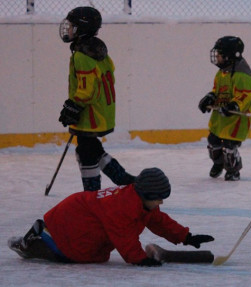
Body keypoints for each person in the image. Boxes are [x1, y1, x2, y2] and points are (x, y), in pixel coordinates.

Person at [8, 168, 214, 266]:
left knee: (96, 255)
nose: (161, 202)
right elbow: (124, 238)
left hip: (76, 213)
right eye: (159, 198)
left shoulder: (139, 200)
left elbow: (158, 220)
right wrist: (140, 259)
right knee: (72, 255)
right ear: (147, 196)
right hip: (70, 222)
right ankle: (38, 238)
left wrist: (186, 237)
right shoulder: (121, 209)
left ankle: (43, 233)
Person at [58, 6, 135, 191]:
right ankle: (122, 178)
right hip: (102, 111)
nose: (68, 29)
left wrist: (74, 105)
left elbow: (88, 90)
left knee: (85, 151)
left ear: (81, 29)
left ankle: (92, 194)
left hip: (91, 114)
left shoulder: (81, 55)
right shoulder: (97, 49)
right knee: (90, 147)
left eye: (72, 26)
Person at [198, 36, 251, 181]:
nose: (216, 57)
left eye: (219, 55)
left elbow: (245, 96)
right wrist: (210, 97)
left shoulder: (242, 75)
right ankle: (219, 163)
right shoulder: (222, 72)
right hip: (220, 118)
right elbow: (217, 90)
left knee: (229, 146)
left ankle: (233, 169)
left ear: (229, 56)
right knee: (213, 143)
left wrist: (234, 105)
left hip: (235, 120)